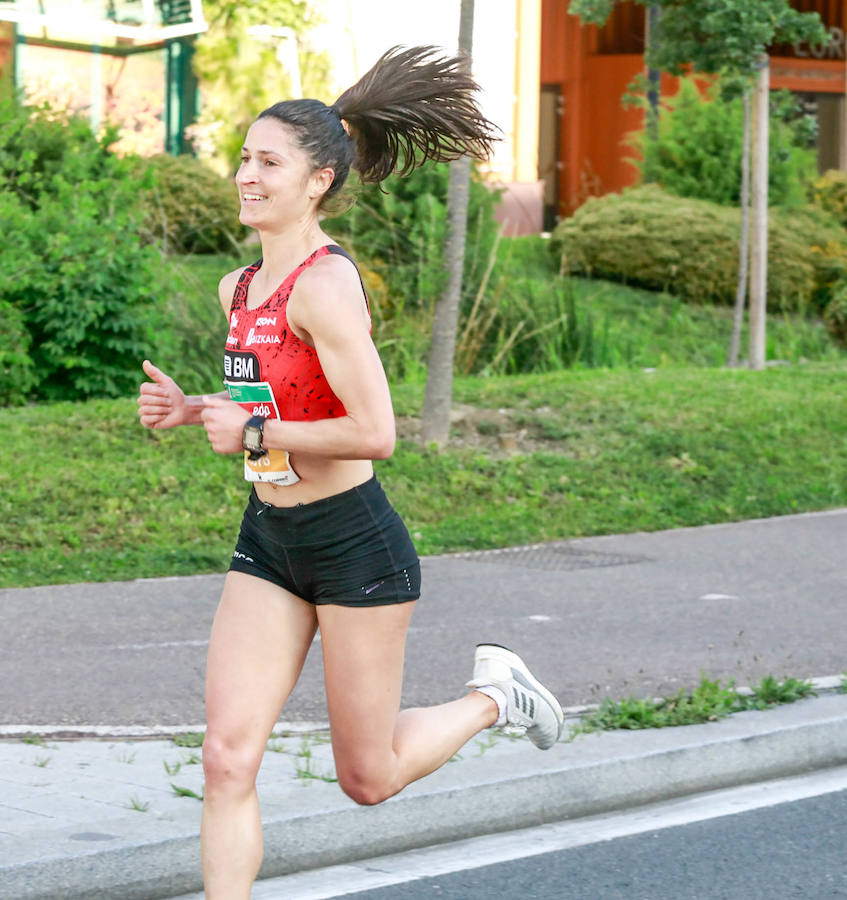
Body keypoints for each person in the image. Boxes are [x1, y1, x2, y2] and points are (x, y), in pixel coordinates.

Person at [137, 45, 563, 899]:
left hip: (353, 549)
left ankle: (494, 697)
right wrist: (196, 411)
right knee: (226, 758)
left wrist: (253, 429)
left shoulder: (325, 287)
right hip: (270, 539)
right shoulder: (240, 287)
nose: (244, 176)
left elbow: (375, 431)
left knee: (367, 778)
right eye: (243, 159)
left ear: (318, 180)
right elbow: (271, 407)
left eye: (267, 162)